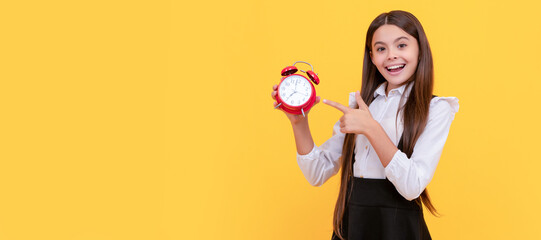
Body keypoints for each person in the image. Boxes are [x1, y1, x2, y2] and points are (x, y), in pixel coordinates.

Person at [271, 10, 459, 240]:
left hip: (399, 231)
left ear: (420, 50)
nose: (391, 55)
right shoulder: (360, 105)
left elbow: (412, 186)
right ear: (371, 57)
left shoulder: (435, 108)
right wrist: (299, 122)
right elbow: (317, 173)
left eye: (401, 45)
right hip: (354, 224)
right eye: (381, 49)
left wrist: (371, 128)